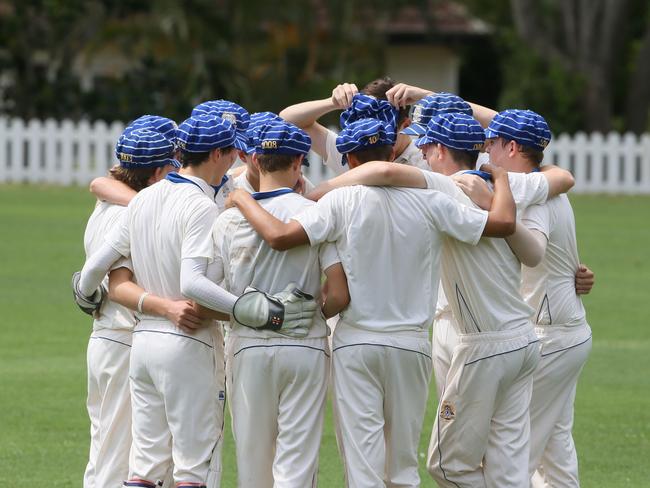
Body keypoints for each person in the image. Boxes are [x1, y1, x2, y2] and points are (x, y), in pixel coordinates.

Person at [225, 116, 519, 487]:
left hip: (357, 343)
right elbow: (504, 224)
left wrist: (239, 198)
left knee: (364, 470)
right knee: (403, 469)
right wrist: (503, 179)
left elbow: (280, 235)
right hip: (411, 345)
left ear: (347, 159)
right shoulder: (431, 201)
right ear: (392, 151)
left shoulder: (340, 200)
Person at [304, 112, 575, 487]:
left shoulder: (448, 188)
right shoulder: (509, 185)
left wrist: (316, 192)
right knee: (508, 466)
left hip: (485, 343)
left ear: (443, 150)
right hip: (523, 339)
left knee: (449, 466)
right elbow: (537, 245)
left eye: (429, 146)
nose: (423, 153)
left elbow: (385, 173)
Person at [72, 115, 318, 488]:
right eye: (230, 151)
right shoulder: (200, 205)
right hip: (187, 340)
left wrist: (87, 292)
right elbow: (192, 283)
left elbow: (95, 268)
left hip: (143, 343)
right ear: (217, 153)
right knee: (192, 469)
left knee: (145, 469)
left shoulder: (145, 199)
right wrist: (251, 310)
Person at [213, 120, 350, 487]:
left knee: (253, 465)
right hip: (305, 344)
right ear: (298, 163)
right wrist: (312, 314)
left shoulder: (227, 220)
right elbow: (338, 293)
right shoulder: (316, 212)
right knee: (297, 466)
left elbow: (208, 294)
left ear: (255, 161)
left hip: (247, 345)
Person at [484, 109, 593, 487]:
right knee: (555, 448)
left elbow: (537, 250)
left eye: (493, 143)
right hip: (567, 330)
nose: (485, 150)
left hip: (549, 335)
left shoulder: (532, 193)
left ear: (512, 147)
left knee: (516, 452)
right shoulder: (543, 184)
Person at [81, 126, 191, 488]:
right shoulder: (131, 212)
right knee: (117, 460)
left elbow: (100, 183)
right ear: (157, 172)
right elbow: (118, 282)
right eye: (172, 165)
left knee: (106, 451)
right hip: (126, 337)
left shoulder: (109, 201)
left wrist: (83, 289)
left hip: (107, 338)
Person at [279, 76, 430, 173]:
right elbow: (288, 120)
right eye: (362, 128)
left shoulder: (428, 158)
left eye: (385, 131)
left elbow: (453, 127)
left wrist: (426, 96)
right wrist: (334, 102)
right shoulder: (355, 147)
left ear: (406, 125)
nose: (371, 137)